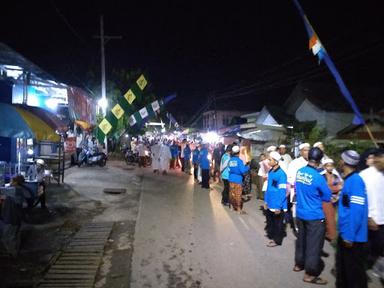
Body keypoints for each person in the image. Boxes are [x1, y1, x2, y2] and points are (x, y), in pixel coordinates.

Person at [294, 147, 332, 285]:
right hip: (314, 216)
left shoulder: (300, 172)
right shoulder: (318, 177)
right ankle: (310, 274)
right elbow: (327, 197)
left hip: (300, 213)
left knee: (301, 241)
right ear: (320, 160)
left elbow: (297, 188)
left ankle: (299, 264)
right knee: (314, 246)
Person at [336, 150, 368, 288]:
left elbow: (357, 210)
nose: (339, 162)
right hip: (346, 233)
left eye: (340, 159)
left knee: (354, 274)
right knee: (345, 271)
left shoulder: (355, 181)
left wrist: (349, 235)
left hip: (353, 236)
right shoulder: (349, 179)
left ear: (344, 162)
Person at [359, 148, 384, 279]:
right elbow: (361, 198)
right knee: (364, 248)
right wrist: (369, 217)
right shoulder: (365, 175)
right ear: (377, 158)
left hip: (382, 218)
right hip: (369, 219)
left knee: (378, 247)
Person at [264, 151, 287, 247]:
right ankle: (273, 236)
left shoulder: (282, 174)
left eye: (270, 159)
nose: (268, 161)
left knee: (278, 224)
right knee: (272, 222)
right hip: (270, 202)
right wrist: (266, 201)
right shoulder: (270, 171)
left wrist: (278, 206)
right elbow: (268, 188)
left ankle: (277, 240)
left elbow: (282, 192)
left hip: (278, 203)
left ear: (276, 161)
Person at [228, 145, 250, 214]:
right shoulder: (239, 161)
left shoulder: (230, 160)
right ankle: (238, 209)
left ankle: (231, 206)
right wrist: (247, 167)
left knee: (232, 193)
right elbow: (243, 170)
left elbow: (229, 169)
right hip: (238, 179)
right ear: (238, 152)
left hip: (231, 178)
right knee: (238, 194)